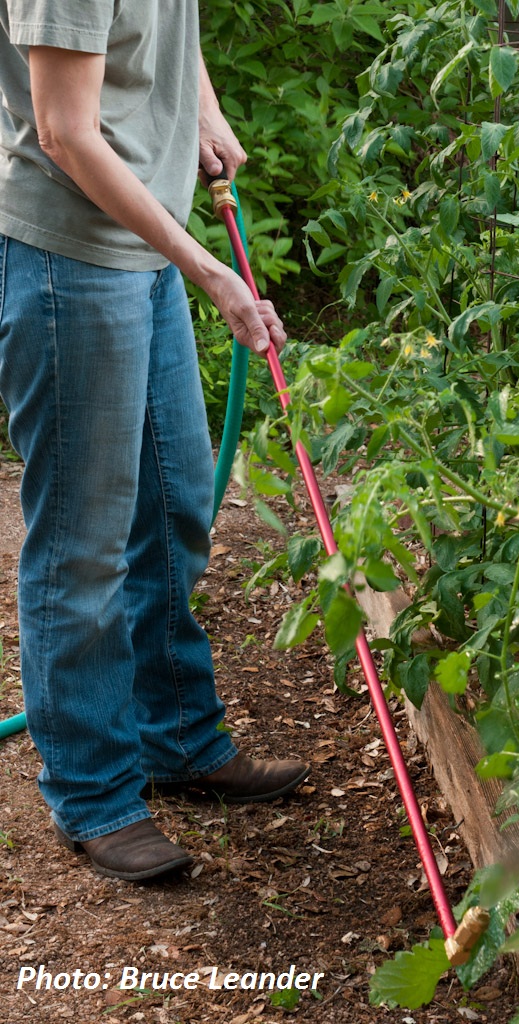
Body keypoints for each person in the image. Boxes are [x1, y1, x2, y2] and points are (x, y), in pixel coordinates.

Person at [0, 0, 310, 882]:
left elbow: (170, 28)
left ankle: (176, 733)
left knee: (173, 499)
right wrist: (204, 268)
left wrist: (202, 109)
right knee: (84, 543)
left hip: (138, 235)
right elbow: (64, 131)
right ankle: (95, 794)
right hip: (71, 251)